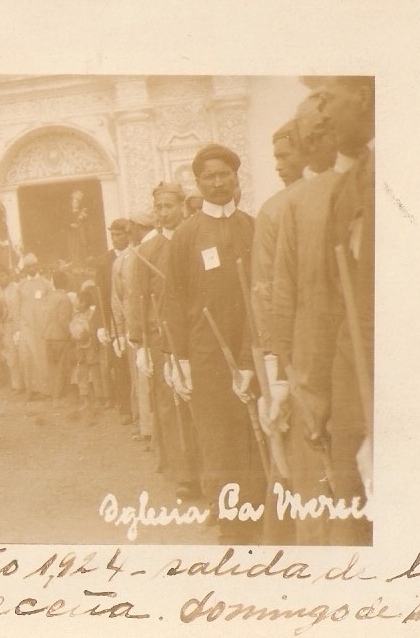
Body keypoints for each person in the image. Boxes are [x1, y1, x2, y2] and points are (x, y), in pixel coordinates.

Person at [163, 144, 266, 544]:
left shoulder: (252, 228)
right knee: (217, 439)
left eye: (225, 174)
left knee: (252, 436)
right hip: (205, 356)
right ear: (198, 182)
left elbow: (263, 292)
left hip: (250, 350)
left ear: (236, 178)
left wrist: (252, 360)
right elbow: (174, 298)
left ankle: (257, 516)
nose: (219, 182)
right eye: (210, 176)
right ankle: (230, 523)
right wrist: (179, 359)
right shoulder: (187, 235)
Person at [262, 96, 344, 545]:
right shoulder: (289, 206)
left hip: (354, 357)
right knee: (316, 479)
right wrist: (279, 373)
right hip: (310, 364)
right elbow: (276, 295)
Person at [321, 76, 375, 545]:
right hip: (353, 374)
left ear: (363, 97)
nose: (324, 114)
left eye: (329, 100)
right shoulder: (351, 183)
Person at [128, 182, 201, 499]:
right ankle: (184, 474)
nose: (163, 213)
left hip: (196, 335)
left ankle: (209, 471)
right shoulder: (147, 251)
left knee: (199, 402)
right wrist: (140, 345)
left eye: (169, 206)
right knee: (170, 406)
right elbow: (138, 299)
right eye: (158, 208)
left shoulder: (196, 238)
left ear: (182, 206)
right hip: (161, 339)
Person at [117, 208, 153, 443]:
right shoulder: (127, 258)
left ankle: (152, 430)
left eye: (131, 230)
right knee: (142, 379)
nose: (129, 234)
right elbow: (121, 295)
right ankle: (147, 427)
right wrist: (122, 331)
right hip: (137, 326)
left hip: (151, 325)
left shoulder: (146, 252)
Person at [96, 219, 132, 415]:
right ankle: (125, 408)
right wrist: (101, 325)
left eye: (119, 235)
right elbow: (100, 295)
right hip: (114, 320)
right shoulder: (104, 261)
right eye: (113, 235)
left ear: (128, 235)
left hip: (132, 316)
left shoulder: (135, 255)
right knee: (119, 364)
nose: (115, 239)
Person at [15, 254, 52, 400]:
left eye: (33, 266)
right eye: (28, 266)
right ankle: (31, 389)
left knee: (42, 356)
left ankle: (45, 389)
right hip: (26, 326)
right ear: (24, 269)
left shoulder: (45, 284)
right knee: (27, 356)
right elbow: (17, 307)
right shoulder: (21, 285)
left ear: (38, 266)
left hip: (42, 326)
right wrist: (19, 328)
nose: (31, 269)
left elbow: (50, 304)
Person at [69, 288, 105, 417]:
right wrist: (74, 337)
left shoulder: (93, 314)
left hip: (91, 346)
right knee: (82, 373)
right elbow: (72, 329)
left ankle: (99, 399)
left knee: (95, 373)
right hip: (80, 347)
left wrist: (88, 334)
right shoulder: (75, 315)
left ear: (83, 303)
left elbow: (95, 330)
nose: (75, 303)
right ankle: (85, 399)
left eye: (77, 301)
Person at [43, 269, 74, 408]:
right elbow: (63, 320)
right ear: (66, 283)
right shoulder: (64, 298)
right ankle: (59, 398)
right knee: (62, 367)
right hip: (61, 337)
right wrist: (70, 334)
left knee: (52, 367)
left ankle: (53, 396)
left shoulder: (49, 297)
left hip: (48, 336)